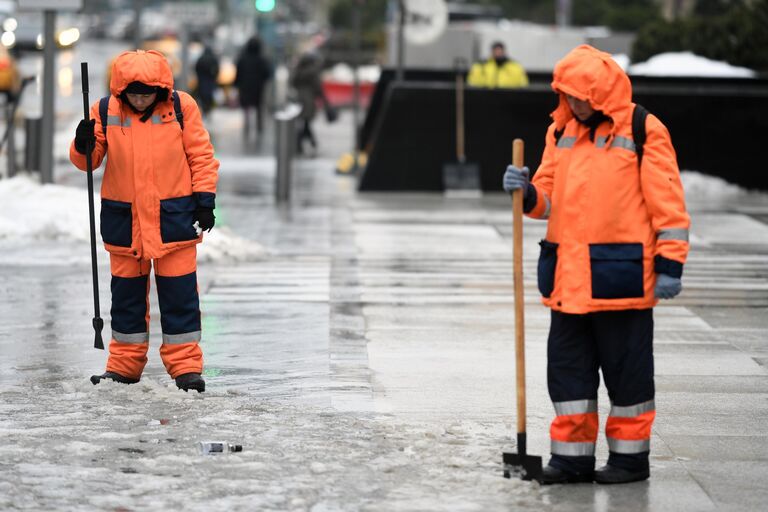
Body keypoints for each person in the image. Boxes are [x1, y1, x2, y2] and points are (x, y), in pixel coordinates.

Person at [502, 45, 690, 485]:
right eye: (567, 95)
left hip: (620, 280)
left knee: (628, 379)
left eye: (582, 96)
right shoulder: (560, 131)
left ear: (601, 93)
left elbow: (668, 203)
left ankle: (628, 460)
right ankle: (570, 460)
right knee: (568, 377)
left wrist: (670, 264)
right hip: (568, 280)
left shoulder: (643, 129)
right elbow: (548, 194)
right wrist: (527, 193)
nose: (575, 103)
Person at [70, 50, 219, 393]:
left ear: (161, 90)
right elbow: (89, 161)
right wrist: (82, 144)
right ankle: (124, 366)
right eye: (133, 94)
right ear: (121, 91)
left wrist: (205, 201)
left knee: (180, 299)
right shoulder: (106, 110)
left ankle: (185, 368)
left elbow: (201, 156)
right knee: (126, 301)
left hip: (175, 220)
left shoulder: (181, 108)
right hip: (126, 223)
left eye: (146, 94)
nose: (139, 100)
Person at [234, 36, 272, 137]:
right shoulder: (262, 59)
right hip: (258, 87)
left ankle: (247, 126)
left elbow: (238, 73)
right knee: (259, 106)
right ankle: (259, 126)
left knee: (246, 107)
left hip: (245, 87)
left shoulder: (242, 58)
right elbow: (267, 73)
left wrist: (236, 84)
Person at [290, 52, 324, 156]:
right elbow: (317, 87)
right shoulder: (313, 72)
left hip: (299, 99)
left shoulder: (298, 71)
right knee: (306, 123)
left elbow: (292, 83)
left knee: (304, 123)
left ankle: (300, 144)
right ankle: (310, 143)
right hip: (309, 100)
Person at [194, 45, 220, 118]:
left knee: (202, 97)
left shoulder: (201, 59)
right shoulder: (213, 59)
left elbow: (196, 69)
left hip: (202, 82)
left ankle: (205, 110)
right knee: (210, 97)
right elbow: (217, 70)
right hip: (211, 82)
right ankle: (208, 110)